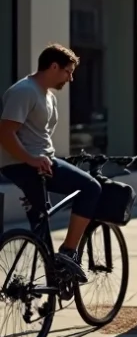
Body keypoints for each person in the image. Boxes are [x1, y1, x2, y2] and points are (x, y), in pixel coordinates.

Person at [0, 44, 99, 282]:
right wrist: (31, 160)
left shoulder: (48, 96)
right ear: (53, 66)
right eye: (68, 71)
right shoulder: (24, 91)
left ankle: (48, 285)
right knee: (91, 188)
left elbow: (39, 136)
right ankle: (68, 253)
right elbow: (5, 133)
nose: (71, 78)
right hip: (23, 163)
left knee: (40, 219)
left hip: (40, 163)